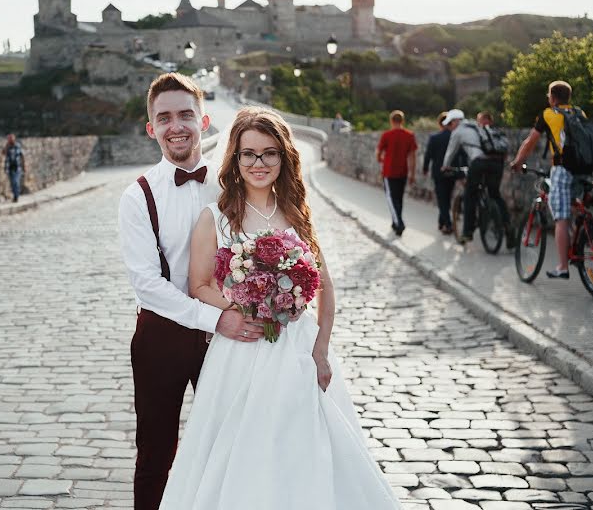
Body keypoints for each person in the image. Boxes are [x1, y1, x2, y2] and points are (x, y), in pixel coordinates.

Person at [159, 107, 402, 509]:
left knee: (303, 446)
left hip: (297, 350)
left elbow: (324, 285)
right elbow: (198, 285)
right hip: (241, 349)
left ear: (283, 158)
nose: (259, 163)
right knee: (244, 449)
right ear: (234, 159)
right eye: (248, 154)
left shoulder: (296, 214)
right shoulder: (216, 217)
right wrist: (241, 305)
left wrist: (321, 350)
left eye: (269, 153)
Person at [118, 73, 263, 510]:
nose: (175, 126)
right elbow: (146, 284)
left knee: (232, 443)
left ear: (203, 120)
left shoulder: (232, 184)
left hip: (228, 335)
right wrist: (217, 318)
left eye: (185, 115)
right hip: (164, 335)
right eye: (164, 118)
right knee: (156, 451)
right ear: (151, 129)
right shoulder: (137, 196)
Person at [509, 80, 579, 278]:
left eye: (549, 96)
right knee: (576, 208)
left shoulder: (548, 114)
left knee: (561, 218)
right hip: (585, 169)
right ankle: (582, 240)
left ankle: (563, 267)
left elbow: (530, 141)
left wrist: (517, 162)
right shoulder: (579, 113)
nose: (548, 99)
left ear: (553, 98)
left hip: (563, 170)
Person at [441, 109, 512, 245]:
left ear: (456, 121)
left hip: (479, 162)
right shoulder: (476, 125)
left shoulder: (458, 132)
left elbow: (450, 152)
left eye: (450, 124)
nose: (449, 127)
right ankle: (508, 228)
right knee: (495, 194)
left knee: (470, 194)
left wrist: (445, 167)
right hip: (497, 161)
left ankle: (467, 232)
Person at [376, 110, 417, 236]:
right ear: (402, 121)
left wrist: (381, 160)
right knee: (399, 198)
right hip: (403, 172)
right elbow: (412, 157)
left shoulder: (386, 135)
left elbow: (379, 152)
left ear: (391, 121)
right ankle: (395, 222)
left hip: (389, 172)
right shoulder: (409, 135)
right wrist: (412, 174)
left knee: (391, 199)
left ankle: (399, 223)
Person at [422, 111, 456, 234]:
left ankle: (448, 224)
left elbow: (428, 155)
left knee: (442, 199)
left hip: (438, 173)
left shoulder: (435, 138)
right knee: (447, 197)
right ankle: (442, 223)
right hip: (452, 171)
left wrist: (425, 168)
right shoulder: (455, 136)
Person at [3, 134, 25, 202]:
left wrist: (24, 166)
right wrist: (6, 147)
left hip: (17, 167)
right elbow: (3, 153)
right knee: (12, 183)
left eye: (11, 139)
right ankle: (15, 195)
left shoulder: (17, 146)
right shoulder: (8, 147)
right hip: (10, 167)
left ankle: (16, 196)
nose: (10, 141)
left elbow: (22, 156)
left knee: (16, 182)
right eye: (9, 139)